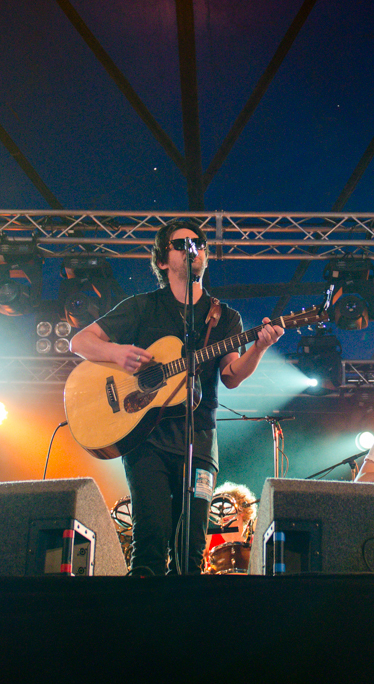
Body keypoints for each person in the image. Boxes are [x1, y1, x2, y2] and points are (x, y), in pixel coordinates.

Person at [70, 220, 283, 575]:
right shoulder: (142, 307)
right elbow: (80, 342)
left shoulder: (225, 316)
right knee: (151, 542)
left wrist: (259, 349)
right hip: (147, 440)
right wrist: (117, 353)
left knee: (191, 550)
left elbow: (231, 377)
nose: (192, 248)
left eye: (198, 243)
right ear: (163, 260)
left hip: (200, 440)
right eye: (181, 244)